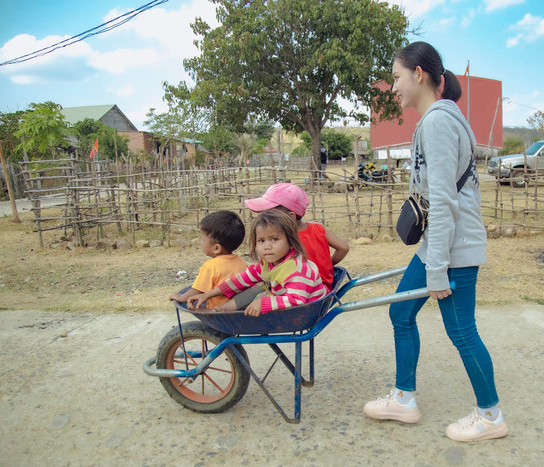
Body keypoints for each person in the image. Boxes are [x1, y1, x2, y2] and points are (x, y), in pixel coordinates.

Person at [362, 41, 508, 442]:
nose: (393, 87)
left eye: (396, 77)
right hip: (436, 247)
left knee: (462, 331)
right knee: (400, 314)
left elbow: (443, 202)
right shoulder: (438, 118)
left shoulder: (439, 122)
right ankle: (404, 398)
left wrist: (438, 268)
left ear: (419, 74)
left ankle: (490, 415)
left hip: (452, 250)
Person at [187, 210, 329, 317]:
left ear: (291, 242)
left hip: (306, 312)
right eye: (261, 241)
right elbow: (242, 280)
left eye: (274, 239)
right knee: (258, 285)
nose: (267, 246)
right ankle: (222, 310)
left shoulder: (297, 270)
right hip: (289, 301)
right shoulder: (268, 263)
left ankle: (224, 310)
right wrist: (208, 295)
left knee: (262, 293)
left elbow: (297, 300)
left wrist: (263, 303)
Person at [245, 182, 349, 292]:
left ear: (291, 216)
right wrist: (328, 264)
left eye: (270, 216)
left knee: (260, 286)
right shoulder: (318, 228)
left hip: (302, 291)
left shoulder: (285, 240)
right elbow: (344, 247)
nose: (266, 220)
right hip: (324, 289)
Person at [168, 211, 247, 309]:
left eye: (202, 239)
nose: (200, 242)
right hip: (238, 310)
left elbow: (197, 290)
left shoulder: (210, 266)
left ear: (216, 248)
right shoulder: (241, 262)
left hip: (218, 312)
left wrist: (181, 297)